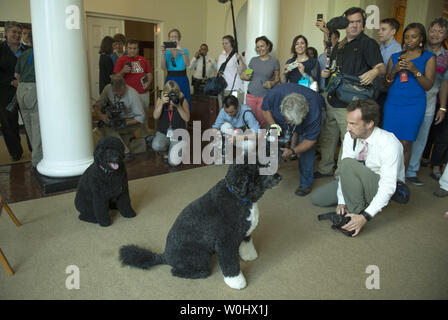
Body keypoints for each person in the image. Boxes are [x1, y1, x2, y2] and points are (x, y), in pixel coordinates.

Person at [311, 100, 406, 237]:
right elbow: (345, 173)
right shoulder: (351, 136)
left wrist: (365, 216)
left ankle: (356, 214)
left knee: (347, 163)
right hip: (357, 178)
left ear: (369, 124)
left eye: (353, 124)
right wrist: (342, 201)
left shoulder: (389, 143)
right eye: (348, 122)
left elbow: (388, 186)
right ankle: (353, 202)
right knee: (318, 197)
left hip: (378, 185)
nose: (348, 128)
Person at [316, 7, 385, 179]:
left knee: (348, 141)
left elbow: (381, 67)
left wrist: (373, 72)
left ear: (363, 24)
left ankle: (341, 176)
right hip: (333, 98)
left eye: (358, 22)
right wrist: (327, 73)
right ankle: (325, 169)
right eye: (350, 22)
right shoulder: (341, 44)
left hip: (351, 102)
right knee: (328, 136)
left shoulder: (368, 43)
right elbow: (333, 64)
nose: (354, 25)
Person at [383, 23, 436, 172]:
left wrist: (414, 70)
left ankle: (400, 179)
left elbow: (428, 85)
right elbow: (386, 84)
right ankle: (386, 176)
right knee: (391, 142)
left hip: (414, 105)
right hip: (393, 103)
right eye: (406, 37)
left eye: (413, 36)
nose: (408, 40)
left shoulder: (428, 57)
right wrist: (394, 72)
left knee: (405, 143)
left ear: (421, 39)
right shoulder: (395, 57)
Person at [262, 83, 323, 196]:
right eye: (287, 119)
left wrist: (293, 151)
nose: (288, 123)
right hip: (278, 118)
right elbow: (265, 110)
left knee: (306, 152)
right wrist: (273, 125)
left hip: (308, 116)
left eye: (291, 122)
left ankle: (305, 183)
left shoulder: (315, 112)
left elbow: (310, 140)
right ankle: (268, 175)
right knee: (270, 142)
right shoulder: (275, 94)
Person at [415, 18, 448, 184]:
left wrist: (442, 108)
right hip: (411, 97)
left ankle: (412, 170)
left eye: (440, 32)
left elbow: (444, 83)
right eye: (433, 30)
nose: (435, 34)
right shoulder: (418, 49)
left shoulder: (446, 56)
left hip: (430, 101)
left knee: (422, 137)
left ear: (446, 35)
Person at [94, 75, 146, 163]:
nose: (118, 94)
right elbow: (96, 106)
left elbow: (141, 118)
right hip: (116, 119)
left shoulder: (133, 94)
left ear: (124, 86)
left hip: (131, 121)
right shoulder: (107, 89)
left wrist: (123, 123)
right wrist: (102, 117)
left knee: (108, 131)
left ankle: (126, 153)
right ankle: (139, 144)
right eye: (115, 92)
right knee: (104, 127)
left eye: (121, 92)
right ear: (111, 87)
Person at [0, 21, 29, 162]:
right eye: (14, 32)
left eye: (19, 32)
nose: (17, 35)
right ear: (6, 33)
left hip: (27, 93)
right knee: (9, 125)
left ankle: (35, 149)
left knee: (30, 121)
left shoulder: (27, 50)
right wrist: (11, 81)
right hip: (6, 94)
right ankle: (15, 153)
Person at [14, 31, 42, 171]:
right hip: (33, 87)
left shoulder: (23, 54)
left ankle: (35, 158)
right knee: (37, 127)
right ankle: (37, 162)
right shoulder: (42, 53)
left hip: (21, 89)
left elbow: (16, 75)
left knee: (29, 126)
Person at [114, 39, 152, 136]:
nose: (132, 50)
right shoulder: (121, 60)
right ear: (126, 49)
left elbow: (149, 74)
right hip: (128, 94)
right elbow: (115, 78)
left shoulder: (143, 60)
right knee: (130, 116)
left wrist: (149, 82)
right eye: (130, 48)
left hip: (143, 92)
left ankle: (145, 136)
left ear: (138, 49)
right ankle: (131, 136)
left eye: (134, 48)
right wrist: (123, 71)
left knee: (144, 114)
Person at [240, 36, 280, 128]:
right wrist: (243, 75)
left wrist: (272, 83)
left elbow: (277, 79)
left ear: (268, 46)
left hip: (264, 97)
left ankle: (261, 142)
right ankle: (252, 142)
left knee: (262, 122)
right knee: (250, 121)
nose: (260, 49)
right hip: (251, 95)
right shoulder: (254, 60)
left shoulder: (274, 62)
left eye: (262, 46)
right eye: (258, 47)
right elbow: (248, 75)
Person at [152, 80, 190, 166]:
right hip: (163, 132)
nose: (172, 97)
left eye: (174, 94)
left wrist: (178, 106)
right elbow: (155, 116)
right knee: (156, 145)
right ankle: (166, 151)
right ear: (165, 92)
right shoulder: (160, 99)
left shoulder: (182, 100)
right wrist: (161, 103)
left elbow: (187, 118)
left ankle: (179, 147)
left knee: (173, 163)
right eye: (169, 94)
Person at [377, 18, 402, 126]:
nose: (379, 32)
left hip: (389, 94)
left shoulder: (399, 50)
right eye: (379, 29)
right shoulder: (380, 47)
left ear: (393, 31)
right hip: (377, 92)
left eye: (383, 29)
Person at [161, 29, 191, 111]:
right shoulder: (166, 52)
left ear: (179, 38)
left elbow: (188, 64)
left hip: (182, 79)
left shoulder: (184, 51)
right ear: (169, 38)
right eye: (171, 36)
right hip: (170, 80)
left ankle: (184, 121)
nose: (173, 38)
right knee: (169, 103)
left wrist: (181, 50)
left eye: (175, 36)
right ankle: (171, 121)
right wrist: (163, 54)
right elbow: (163, 68)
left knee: (184, 102)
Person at [217, 35, 247, 109]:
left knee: (235, 112)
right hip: (222, 89)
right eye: (223, 43)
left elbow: (244, 70)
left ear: (232, 44)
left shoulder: (236, 56)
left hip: (235, 88)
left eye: (226, 43)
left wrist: (240, 60)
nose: (224, 45)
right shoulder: (221, 56)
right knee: (224, 112)